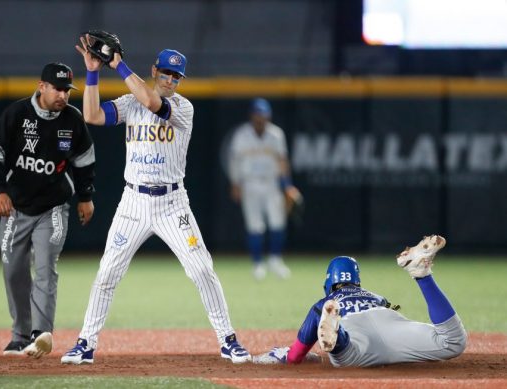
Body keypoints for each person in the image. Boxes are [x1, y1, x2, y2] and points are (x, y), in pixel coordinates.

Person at [60, 34, 251, 365]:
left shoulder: (182, 108)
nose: (171, 80)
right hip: (133, 202)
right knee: (107, 273)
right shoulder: (129, 102)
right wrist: (92, 73)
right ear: (154, 70)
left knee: (202, 269)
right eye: (166, 73)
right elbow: (91, 116)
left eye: (176, 76)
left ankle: (228, 340)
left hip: (172, 204)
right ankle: (85, 343)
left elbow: (152, 103)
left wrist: (118, 65)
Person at [0, 62, 96, 358]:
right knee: (13, 270)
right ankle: (20, 335)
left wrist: (85, 197)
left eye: (67, 90)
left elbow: (84, 160)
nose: (63, 95)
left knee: (45, 265)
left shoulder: (72, 118)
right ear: (41, 86)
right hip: (15, 208)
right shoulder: (17, 114)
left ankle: (40, 334)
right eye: (57, 88)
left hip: (53, 207)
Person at [253, 234, 467, 367]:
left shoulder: (322, 303)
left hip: (357, 338)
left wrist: (285, 355)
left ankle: (337, 334)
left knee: (344, 357)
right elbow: (395, 307)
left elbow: (295, 356)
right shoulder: (376, 296)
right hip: (392, 324)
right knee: (453, 342)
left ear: (328, 283)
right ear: (357, 281)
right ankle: (422, 275)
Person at [227, 98, 301, 280]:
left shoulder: (276, 135)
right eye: (258, 114)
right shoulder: (241, 135)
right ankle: (258, 263)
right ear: (252, 115)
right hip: (250, 184)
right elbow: (234, 161)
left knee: (277, 222)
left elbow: (282, 161)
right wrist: (235, 183)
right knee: (255, 225)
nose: (261, 118)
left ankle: (275, 260)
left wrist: (287, 185)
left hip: (271, 184)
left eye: (264, 115)